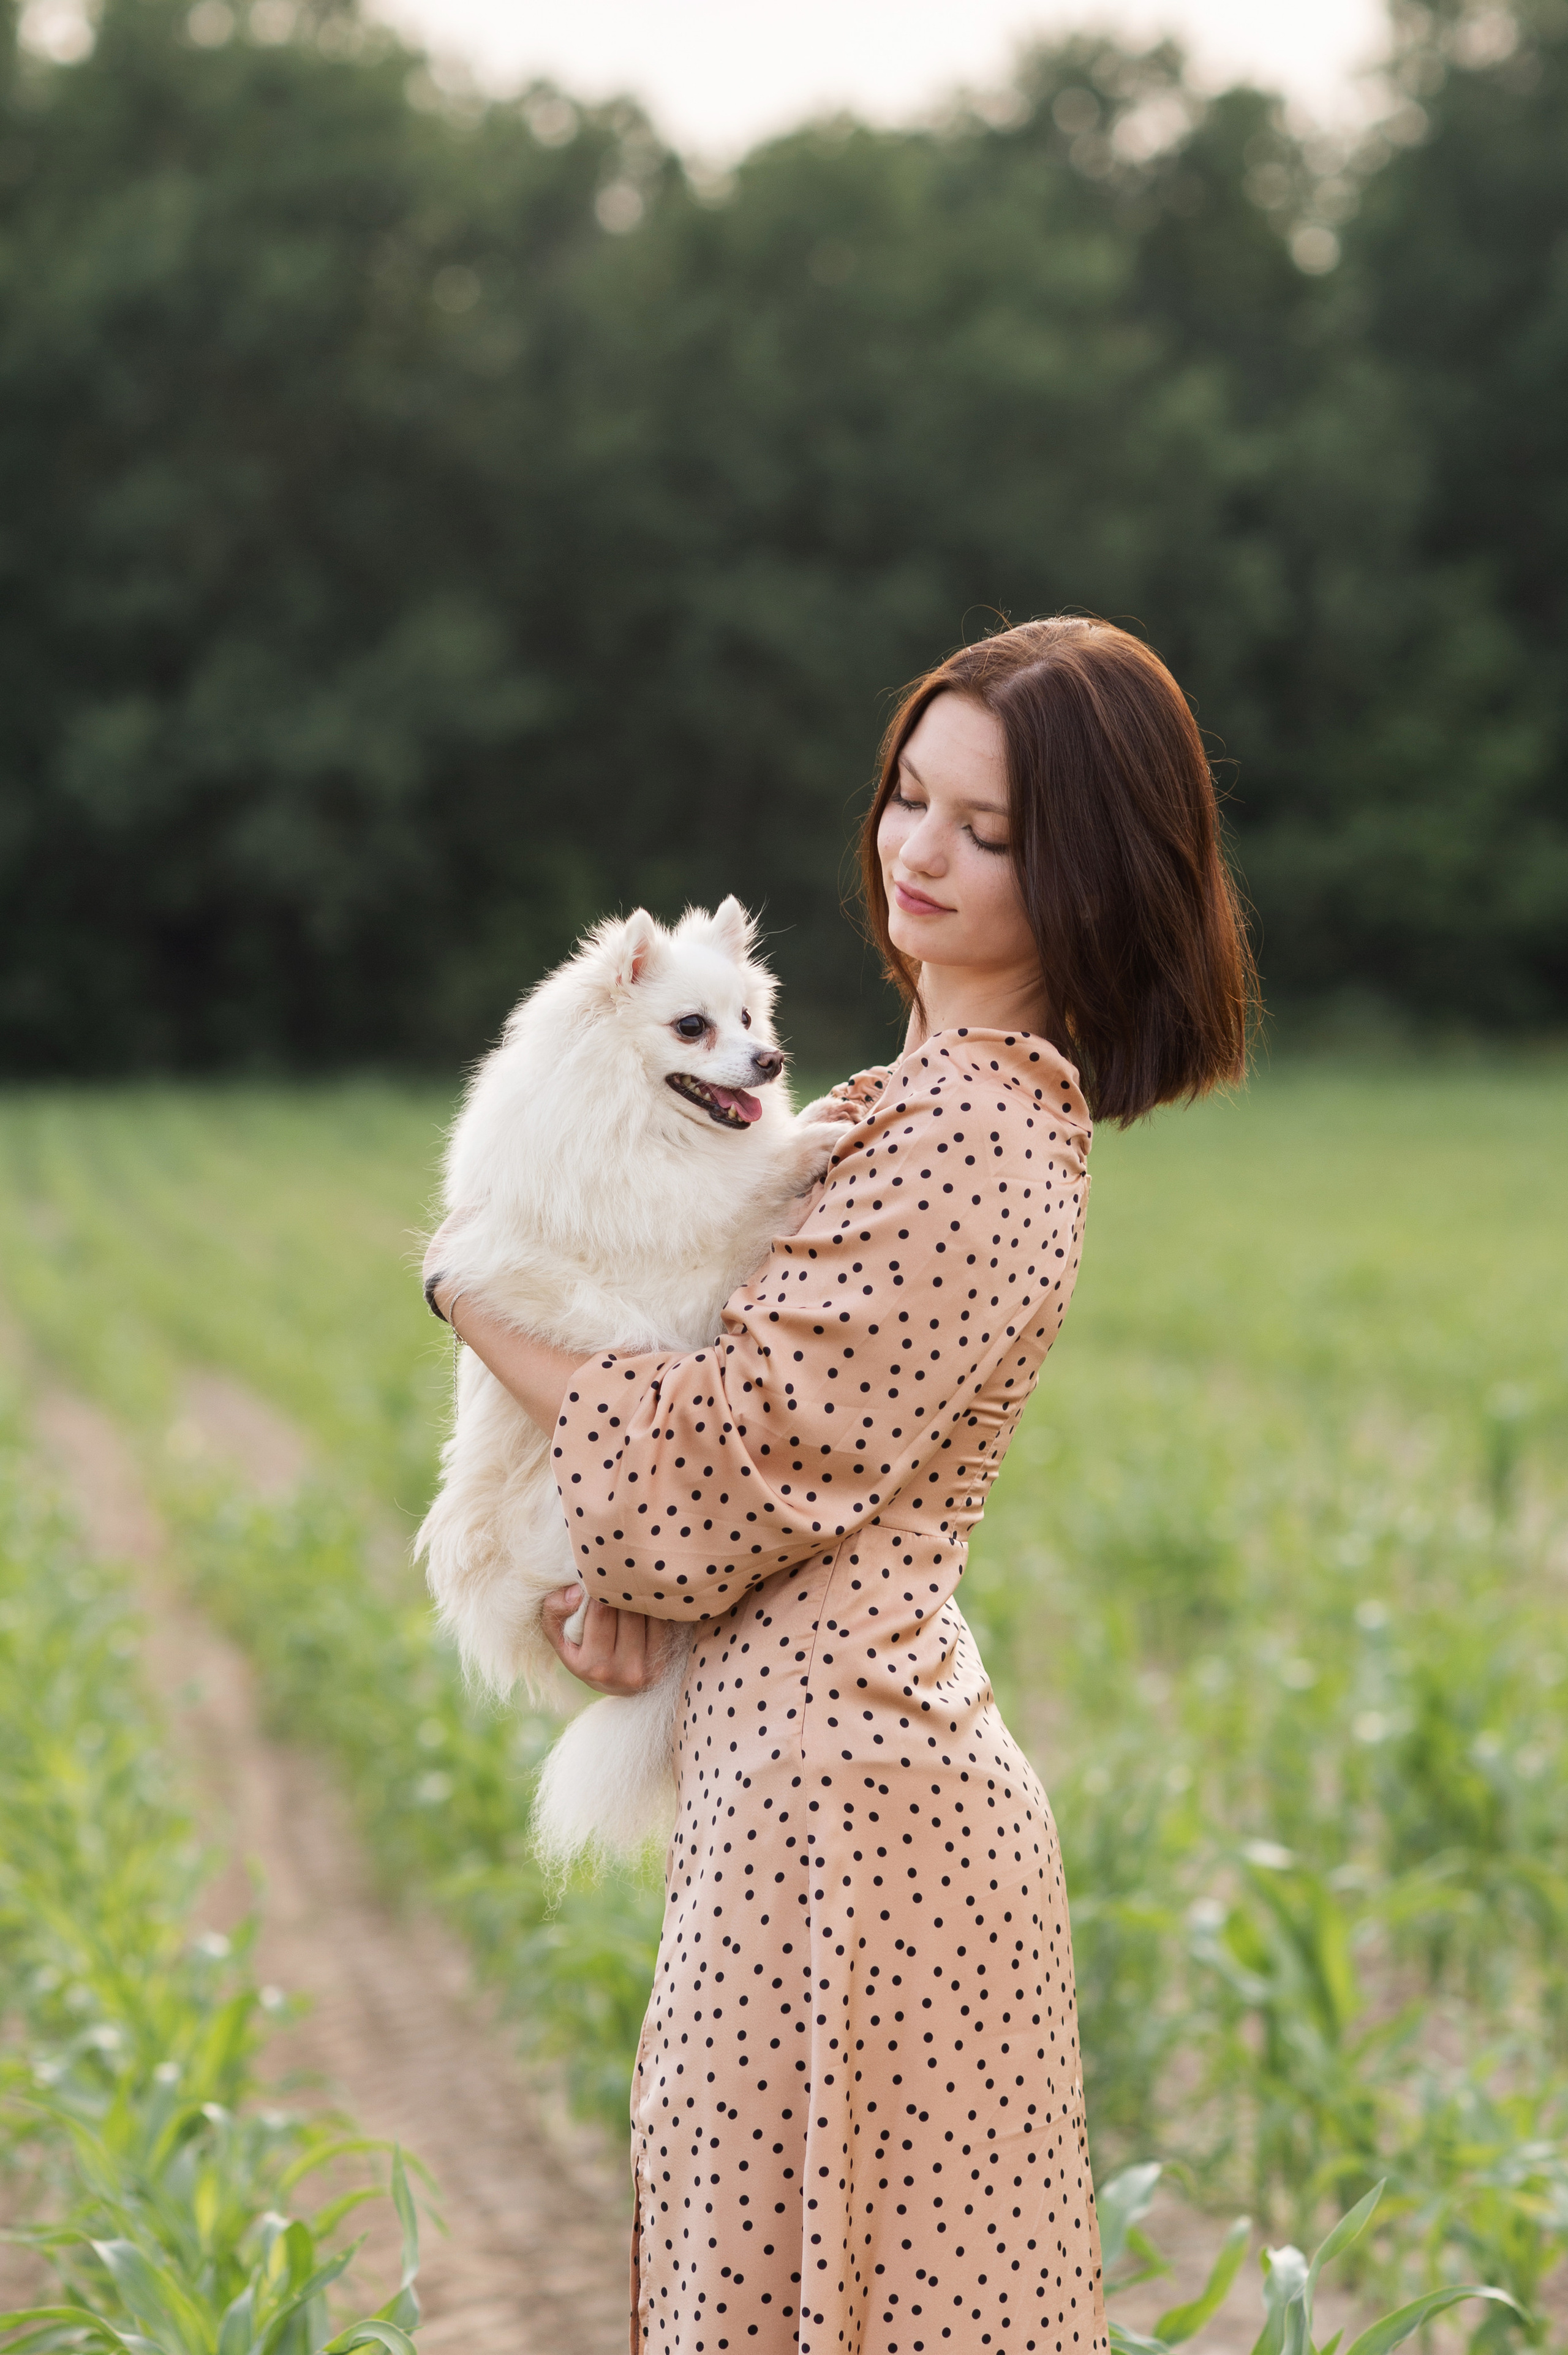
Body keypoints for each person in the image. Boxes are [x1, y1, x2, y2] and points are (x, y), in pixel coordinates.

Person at [423, 616, 1256, 2355]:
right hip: (814, 1786)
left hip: (860, 1825)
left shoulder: (969, 1140)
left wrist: (469, 1296)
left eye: (992, 830)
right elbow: (750, 1504)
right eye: (908, 796)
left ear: (1087, 872)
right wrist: (629, 1610)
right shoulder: (903, 1108)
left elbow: (717, 1467)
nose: (918, 850)